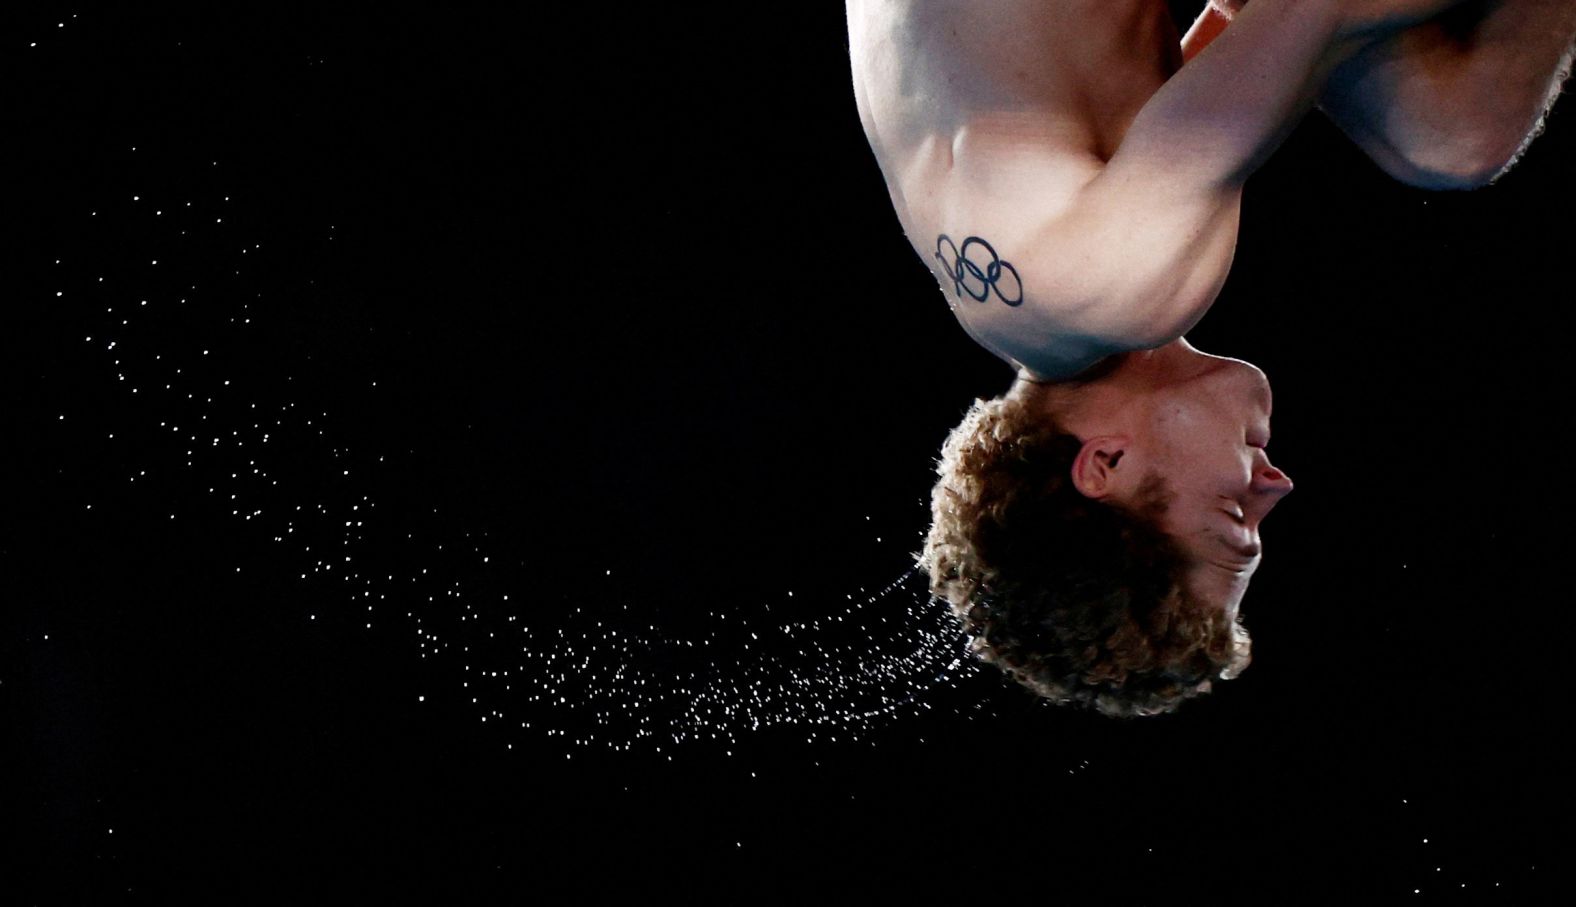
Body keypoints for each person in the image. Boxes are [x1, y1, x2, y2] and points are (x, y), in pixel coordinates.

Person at [845, 0, 1576, 715]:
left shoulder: (1120, 293)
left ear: (1103, 465)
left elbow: (1315, 11)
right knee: (1447, 127)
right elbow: (1237, 28)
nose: (1276, 484)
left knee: (1455, 139)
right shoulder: (1009, 303)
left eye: (1234, 517)